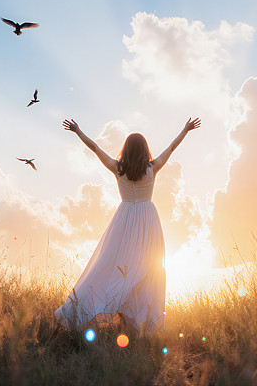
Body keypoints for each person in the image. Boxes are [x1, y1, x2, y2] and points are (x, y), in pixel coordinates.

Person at [54, 117, 201, 335]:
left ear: (126, 149)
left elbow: (95, 148)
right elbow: (172, 147)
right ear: (145, 150)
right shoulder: (153, 168)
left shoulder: (117, 168)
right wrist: (185, 129)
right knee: (147, 269)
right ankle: (141, 320)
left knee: (114, 265)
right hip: (148, 220)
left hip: (124, 219)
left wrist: (78, 130)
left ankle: (98, 309)